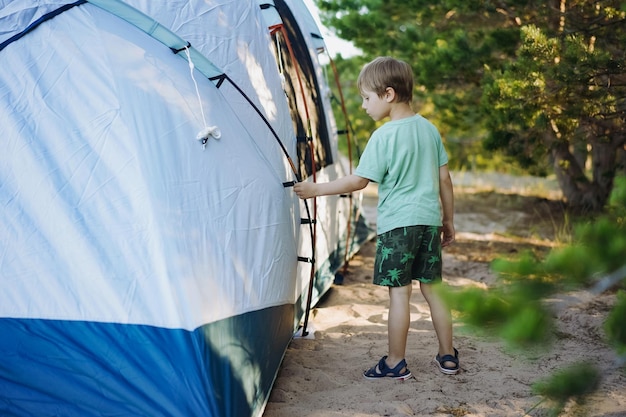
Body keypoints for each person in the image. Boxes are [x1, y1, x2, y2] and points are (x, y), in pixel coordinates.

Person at [293, 56, 458, 380]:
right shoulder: (429, 130)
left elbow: (358, 181)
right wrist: (449, 221)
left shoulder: (384, 137)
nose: (364, 105)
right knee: (434, 290)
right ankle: (448, 356)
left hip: (398, 226)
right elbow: (445, 180)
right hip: (429, 222)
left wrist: (315, 189)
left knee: (400, 294)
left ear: (388, 94)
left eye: (367, 98)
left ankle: (395, 362)